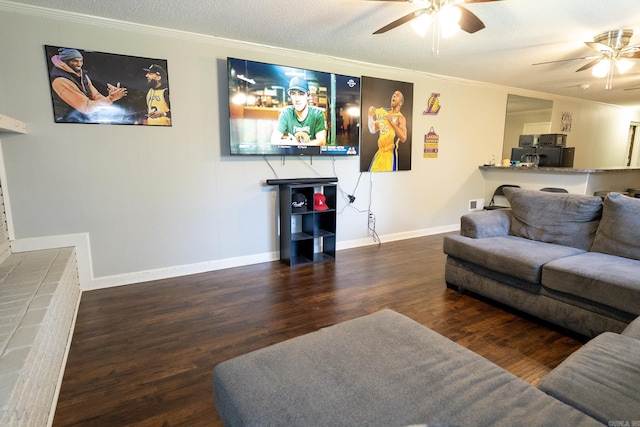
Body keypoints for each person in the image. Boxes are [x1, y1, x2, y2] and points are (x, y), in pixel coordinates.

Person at [49, 48, 127, 123]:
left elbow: (96, 95)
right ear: (65, 61)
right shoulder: (60, 81)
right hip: (68, 122)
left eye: (81, 61)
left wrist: (110, 97)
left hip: (82, 118)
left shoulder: (81, 74)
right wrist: (109, 99)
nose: (79, 64)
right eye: (75, 61)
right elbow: (86, 107)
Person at [271, 77, 326, 146]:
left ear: (308, 95)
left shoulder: (317, 114)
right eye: (293, 94)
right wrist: (288, 143)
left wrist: (297, 146)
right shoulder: (286, 113)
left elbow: (322, 141)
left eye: (301, 94)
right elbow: (274, 140)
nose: (297, 99)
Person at [367, 90, 408, 172]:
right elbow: (372, 129)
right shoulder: (385, 114)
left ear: (400, 103)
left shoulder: (400, 118)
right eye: (393, 94)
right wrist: (370, 116)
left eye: (397, 95)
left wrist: (391, 122)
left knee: (387, 179)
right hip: (380, 153)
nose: (394, 96)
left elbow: (403, 137)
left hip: (390, 155)